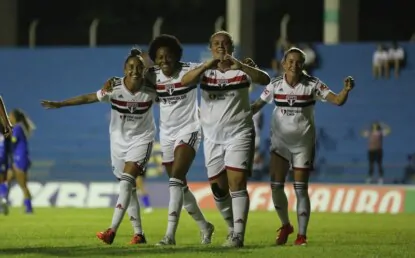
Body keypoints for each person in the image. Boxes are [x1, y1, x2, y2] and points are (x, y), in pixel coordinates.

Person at [41, 48, 156, 245]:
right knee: (128, 188)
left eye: (139, 67)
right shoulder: (113, 88)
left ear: (144, 69)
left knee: (127, 182)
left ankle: (111, 230)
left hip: (142, 140)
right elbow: (88, 98)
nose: (135, 70)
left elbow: (174, 93)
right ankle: (139, 234)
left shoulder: (151, 89)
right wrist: (61, 104)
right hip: (118, 143)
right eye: (131, 67)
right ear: (124, 69)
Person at [251, 47, 354, 246]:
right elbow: (257, 106)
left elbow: (337, 100)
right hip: (280, 143)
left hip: (303, 145)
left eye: (298, 62)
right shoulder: (275, 85)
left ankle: (302, 235)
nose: (294, 65)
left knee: (300, 189)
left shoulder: (313, 84)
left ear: (303, 65)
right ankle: (285, 225)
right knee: (275, 187)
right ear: (283, 64)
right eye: (290, 61)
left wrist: (346, 90)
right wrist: (241, 111)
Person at [181, 30, 271, 247]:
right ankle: (231, 228)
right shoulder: (204, 71)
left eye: (225, 43)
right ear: (211, 48)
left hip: (239, 133)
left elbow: (265, 79)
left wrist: (242, 66)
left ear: (231, 47)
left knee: (237, 182)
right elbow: (185, 82)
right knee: (218, 189)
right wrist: (205, 65)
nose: (220, 46)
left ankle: (238, 235)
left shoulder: (241, 70)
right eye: (216, 44)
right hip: (212, 137)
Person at [143, 34, 214, 245]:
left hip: (189, 130)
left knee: (175, 180)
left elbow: (211, 72)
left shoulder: (189, 70)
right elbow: (135, 81)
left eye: (168, 56)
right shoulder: (152, 75)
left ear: (177, 56)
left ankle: (169, 236)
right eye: (159, 57)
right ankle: (205, 226)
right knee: (180, 186)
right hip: (166, 135)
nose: (164, 60)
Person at [6, 109, 36, 214]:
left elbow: (13, 141)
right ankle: (4, 203)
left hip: (20, 158)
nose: (9, 118)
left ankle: (29, 208)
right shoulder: (17, 128)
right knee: (7, 179)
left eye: (10, 116)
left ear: (14, 117)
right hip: (18, 158)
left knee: (23, 184)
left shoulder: (18, 128)